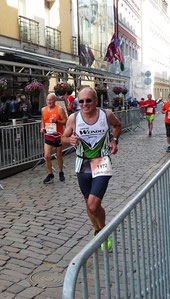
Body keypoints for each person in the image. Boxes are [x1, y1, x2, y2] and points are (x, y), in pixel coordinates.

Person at [61, 86, 121, 250]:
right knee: (89, 204)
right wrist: (69, 141)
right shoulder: (74, 118)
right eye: (81, 101)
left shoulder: (105, 114)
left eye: (88, 100)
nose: (85, 104)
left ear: (95, 101)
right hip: (82, 164)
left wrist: (114, 140)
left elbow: (117, 125)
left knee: (94, 205)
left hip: (101, 161)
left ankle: (103, 232)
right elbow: (63, 138)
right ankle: (97, 230)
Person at [41, 93, 68, 184]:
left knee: (59, 155)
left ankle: (61, 171)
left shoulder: (59, 109)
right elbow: (43, 120)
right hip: (48, 135)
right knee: (47, 156)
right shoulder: (43, 109)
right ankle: (50, 174)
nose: (49, 101)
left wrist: (56, 121)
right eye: (48, 100)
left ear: (55, 100)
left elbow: (65, 121)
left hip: (58, 135)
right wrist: (42, 128)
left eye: (51, 100)